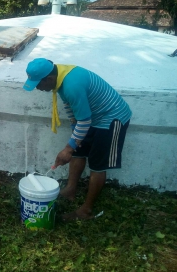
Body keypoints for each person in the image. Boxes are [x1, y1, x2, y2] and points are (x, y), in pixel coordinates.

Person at [23, 58, 132, 222]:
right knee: (78, 151)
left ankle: (85, 210)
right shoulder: (59, 75)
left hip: (111, 118)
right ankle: (70, 190)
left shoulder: (71, 84)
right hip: (90, 117)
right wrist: (75, 140)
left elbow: (83, 118)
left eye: (38, 84)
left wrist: (68, 147)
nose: (38, 88)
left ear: (49, 79)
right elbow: (71, 106)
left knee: (97, 164)